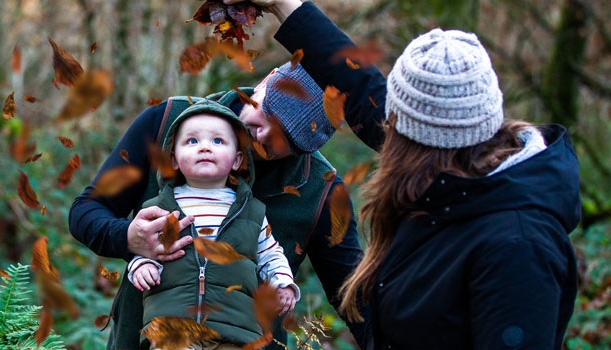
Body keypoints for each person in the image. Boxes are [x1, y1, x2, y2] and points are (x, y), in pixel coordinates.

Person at [69, 1, 388, 349]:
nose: (265, 135)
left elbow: (356, 299)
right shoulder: (169, 124)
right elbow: (85, 212)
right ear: (265, 83)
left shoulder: (320, 190)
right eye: (268, 114)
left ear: (306, 149)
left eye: (286, 137)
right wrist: (127, 237)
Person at [338, 28, 580, 349]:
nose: (383, 125)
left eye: (390, 122)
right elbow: (360, 87)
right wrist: (287, 8)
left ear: (404, 138)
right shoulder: (449, 185)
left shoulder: (517, 245)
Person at [130, 100, 299, 349]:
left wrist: (283, 283)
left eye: (218, 141)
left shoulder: (251, 211)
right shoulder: (159, 208)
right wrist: (142, 266)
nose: (205, 148)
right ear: (174, 159)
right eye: (192, 141)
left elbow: (270, 254)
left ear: (237, 159)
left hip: (234, 329)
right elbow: (142, 248)